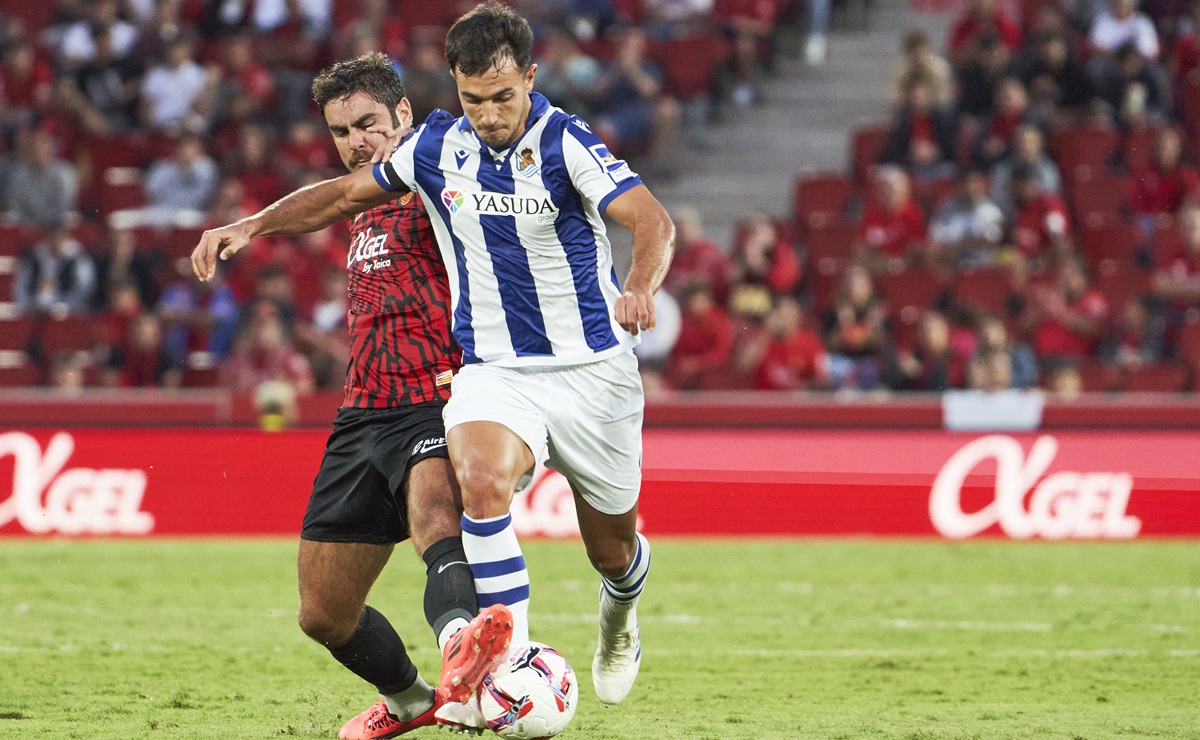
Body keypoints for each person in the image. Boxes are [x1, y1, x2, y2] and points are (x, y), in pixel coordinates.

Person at [192, 2, 673, 725]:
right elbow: (342, 195)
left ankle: (617, 615)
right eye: (474, 99)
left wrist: (638, 286)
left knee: (610, 551)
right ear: (455, 87)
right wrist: (252, 222)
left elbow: (651, 219)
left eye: (503, 97)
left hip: (586, 372)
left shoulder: (562, 139)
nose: (489, 114)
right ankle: (496, 673)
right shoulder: (434, 154)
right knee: (462, 496)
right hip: (482, 376)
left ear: (529, 79)